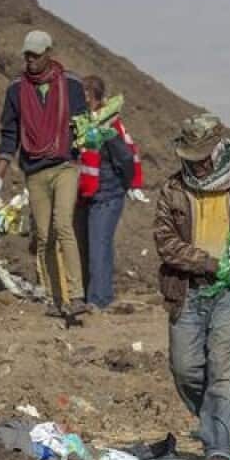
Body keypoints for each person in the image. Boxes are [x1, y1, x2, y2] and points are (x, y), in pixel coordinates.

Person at [153, 114, 230, 460]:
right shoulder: (172, 191)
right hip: (187, 291)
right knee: (185, 369)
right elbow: (165, 243)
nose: (199, 166)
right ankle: (212, 422)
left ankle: (218, 446)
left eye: (204, 157)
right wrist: (211, 264)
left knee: (224, 371)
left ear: (221, 150)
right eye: (192, 159)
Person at [0, 30, 89, 316]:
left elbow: (82, 125)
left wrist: (87, 139)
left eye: (36, 54)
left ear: (49, 53)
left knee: (63, 225)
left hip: (64, 166)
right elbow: (9, 134)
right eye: (27, 55)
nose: (31, 60)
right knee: (44, 236)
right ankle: (54, 298)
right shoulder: (16, 90)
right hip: (34, 169)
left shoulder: (70, 84)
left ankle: (77, 294)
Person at [76, 75, 148, 309]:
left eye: (83, 94)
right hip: (89, 195)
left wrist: (130, 184)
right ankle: (91, 297)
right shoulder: (83, 124)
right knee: (89, 247)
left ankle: (100, 301)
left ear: (91, 97)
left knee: (99, 246)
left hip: (107, 195)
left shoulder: (108, 125)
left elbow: (126, 156)